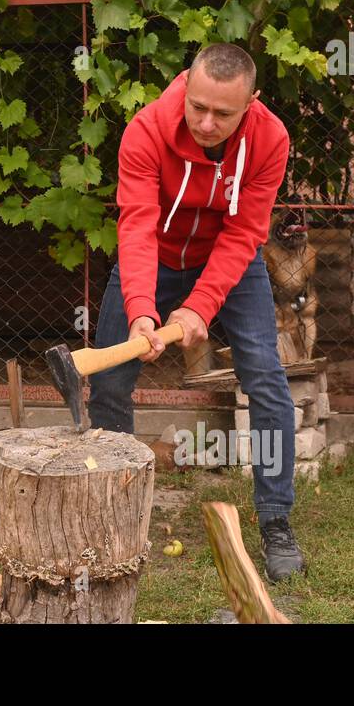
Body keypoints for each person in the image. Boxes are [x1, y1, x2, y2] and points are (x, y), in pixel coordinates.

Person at [89, 42, 306, 581]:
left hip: (230, 262)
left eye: (224, 114)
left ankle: (276, 519)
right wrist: (142, 309)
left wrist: (197, 308)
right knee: (112, 383)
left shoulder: (270, 139)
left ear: (251, 103)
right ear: (186, 85)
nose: (207, 123)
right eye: (199, 106)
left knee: (266, 377)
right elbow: (136, 223)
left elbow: (243, 234)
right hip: (153, 258)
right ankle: (112, 512)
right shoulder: (145, 130)